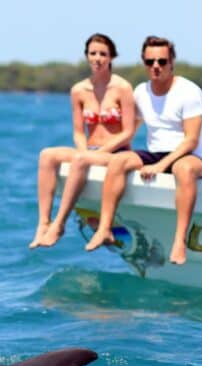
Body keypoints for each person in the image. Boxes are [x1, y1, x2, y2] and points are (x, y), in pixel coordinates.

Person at [85, 35, 202, 265]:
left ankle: (179, 241)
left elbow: (191, 140)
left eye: (162, 62)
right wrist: (100, 152)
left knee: (183, 169)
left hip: (188, 155)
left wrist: (162, 166)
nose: (156, 67)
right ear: (144, 63)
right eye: (150, 62)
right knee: (118, 162)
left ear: (172, 62)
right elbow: (129, 131)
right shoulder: (141, 92)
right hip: (154, 153)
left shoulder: (189, 92)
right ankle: (105, 229)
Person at [29, 33, 135, 249]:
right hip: (90, 150)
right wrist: (83, 150)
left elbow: (128, 131)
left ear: (112, 57)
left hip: (115, 152)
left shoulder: (122, 88)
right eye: (93, 53)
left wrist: (98, 152)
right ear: (86, 56)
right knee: (47, 155)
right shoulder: (78, 90)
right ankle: (43, 223)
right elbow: (78, 131)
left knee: (82, 161)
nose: (97, 58)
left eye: (103, 54)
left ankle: (59, 225)